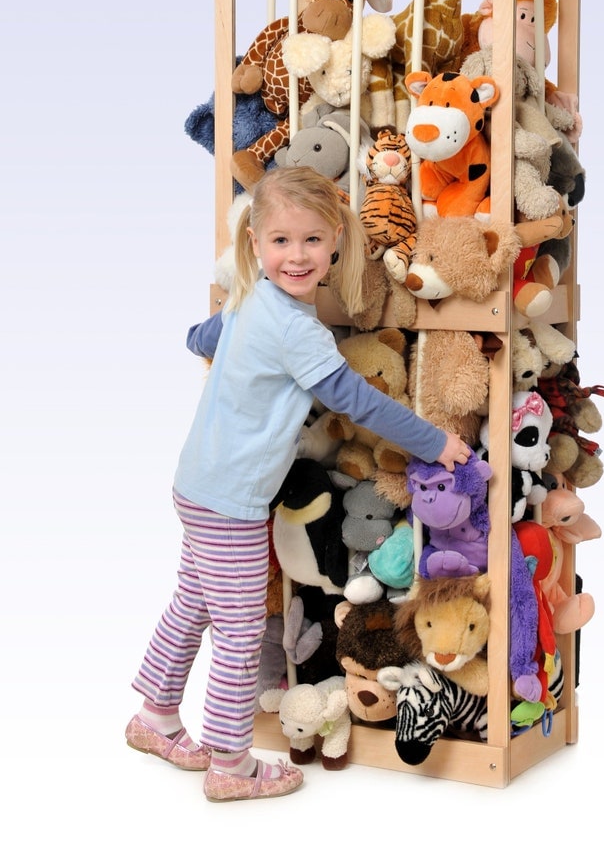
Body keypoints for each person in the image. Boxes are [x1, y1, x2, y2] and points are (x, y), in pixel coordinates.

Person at [126, 166, 472, 802]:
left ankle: (154, 716)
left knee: (195, 602)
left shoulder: (248, 302)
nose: (297, 255)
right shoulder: (296, 329)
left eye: (312, 240)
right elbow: (356, 400)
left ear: (335, 241)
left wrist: (198, 337)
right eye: (281, 241)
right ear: (256, 243)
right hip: (228, 502)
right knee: (236, 628)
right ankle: (232, 763)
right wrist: (435, 442)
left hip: (195, 485)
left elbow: (202, 336)